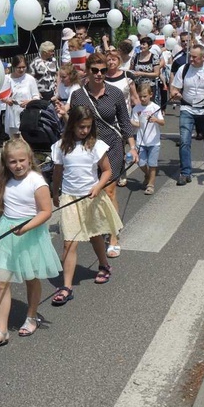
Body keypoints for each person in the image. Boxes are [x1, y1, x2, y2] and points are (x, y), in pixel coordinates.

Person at [0, 139, 60, 349]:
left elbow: (46, 211)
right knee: (0, 282)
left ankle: (32, 316)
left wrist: (25, 228)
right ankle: (1, 331)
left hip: (29, 233)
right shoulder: (4, 180)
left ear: (30, 159)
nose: (18, 165)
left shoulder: (37, 181)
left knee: (31, 278)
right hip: (6, 231)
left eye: (22, 160)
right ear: (6, 163)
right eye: (12, 161)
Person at [50, 106, 123, 306]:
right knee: (69, 241)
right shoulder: (60, 146)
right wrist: (55, 193)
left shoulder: (96, 145)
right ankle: (67, 287)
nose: (84, 131)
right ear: (71, 124)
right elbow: (57, 173)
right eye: (81, 127)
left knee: (94, 234)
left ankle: (104, 265)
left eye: (88, 127)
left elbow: (107, 171)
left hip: (91, 198)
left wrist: (98, 186)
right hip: (69, 199)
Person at [67, 52, 137, 259]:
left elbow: (124, 121)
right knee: (91, 189)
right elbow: (72, 124)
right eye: (95, 70)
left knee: (109, 190)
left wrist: (132, 146)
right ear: (87, 71)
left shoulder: (115, 93)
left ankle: (113, 236)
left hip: (112, 146)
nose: (99, 74)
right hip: (87, 148)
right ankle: (98, 223)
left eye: (103, 70)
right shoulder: (78, 96)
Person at [170, 45, 204, 185]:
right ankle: (185, 172)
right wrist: (175, 94)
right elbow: (174, 88)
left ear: (203, 57)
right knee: (184, 141)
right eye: (190, 56)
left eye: (194, 57)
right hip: (187, 109)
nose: (191, 59)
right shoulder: (184, 69)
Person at [130, 85, 165, 195]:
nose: (143, 99)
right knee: (140, 163)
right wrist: (131, 122)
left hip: (154, 141)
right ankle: (148, 175)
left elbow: (163, 123)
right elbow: (136, 123)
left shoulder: (155, 107)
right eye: (140, 97)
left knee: (152, 163)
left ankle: (150, 185)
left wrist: (156, 120)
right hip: (141, 141)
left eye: (145, 96)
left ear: (151, 95)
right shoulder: (137, 108)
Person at [4, 55, 40, 138]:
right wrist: (6, 100)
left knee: (26, 140)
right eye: (18, 67)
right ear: (13, 67)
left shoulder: (30, 79)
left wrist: (29, 102)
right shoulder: (7, 79)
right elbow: (0, 96)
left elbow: (36, 97)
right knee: (14, 140)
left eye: (23, 67)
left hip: (27, 115)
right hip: (12, 115)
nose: (21, 69)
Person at [130, 36, 161, 105]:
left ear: (149, 46)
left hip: (149, 87)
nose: (141, 46)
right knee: (137, 105)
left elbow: (156, 73)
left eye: (144, 44)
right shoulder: (135, 56)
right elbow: (131, 69)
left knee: (148, 106)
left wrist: (142, 73)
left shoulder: (154, 57)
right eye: (141, 44)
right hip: (137, 86)